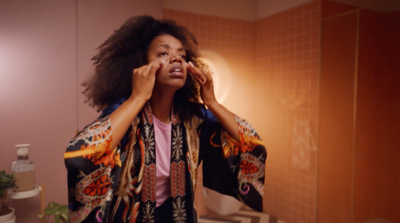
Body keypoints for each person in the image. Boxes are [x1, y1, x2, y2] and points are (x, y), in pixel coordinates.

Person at [64, 15, 267, 223]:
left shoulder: (194, 117)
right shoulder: (126, 111)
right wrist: (138, 97)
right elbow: (82, 155)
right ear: (141, 65)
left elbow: (251, 144)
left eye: (182, 54)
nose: (177, 58)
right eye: (163, 53)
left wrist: (212, 103)